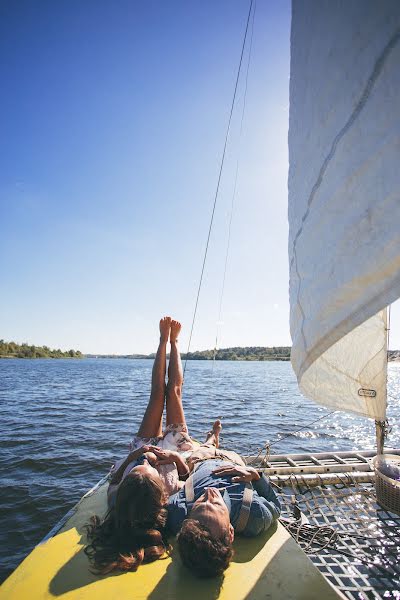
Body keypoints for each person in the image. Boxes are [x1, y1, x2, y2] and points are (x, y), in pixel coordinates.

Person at [85, 317, 198, 574]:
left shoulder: (117, 498)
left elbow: (114, 479)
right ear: (159, 490)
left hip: (141, 447)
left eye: (140, 469)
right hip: (174, 451)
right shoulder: (168, 494)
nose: (146, 464)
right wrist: (173, 457)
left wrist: (136, 456)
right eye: (148, 469)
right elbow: (186, 474)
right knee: (174, 392)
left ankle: (162, 340)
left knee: (157, 393)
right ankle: (175, 342)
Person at [164, 423, 281, 578]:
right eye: (216, 504)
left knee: (205, 447)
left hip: (201, 460)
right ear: (230, 532)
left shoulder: (177, 513)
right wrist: (255, 476)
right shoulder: (254, 516)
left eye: (200, 503)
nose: (209, 492)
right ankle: (214, 437)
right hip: (233, 460)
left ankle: (212, 437)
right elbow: (276, 507)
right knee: (216, 447)